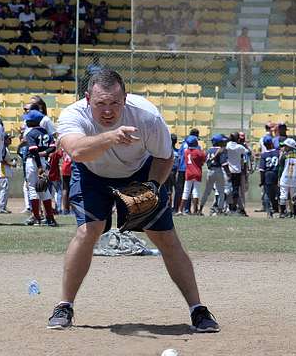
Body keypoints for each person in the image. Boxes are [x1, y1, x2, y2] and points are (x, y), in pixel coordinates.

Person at [48, 69, 219, 332]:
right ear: (87, 99)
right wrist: (111, 137)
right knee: (88, 231)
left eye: (115, 103)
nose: (108, 111)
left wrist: (151, 187)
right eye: (100, 104)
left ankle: (198, 309)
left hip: (139, 174)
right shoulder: (73, 115)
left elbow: (164, 157)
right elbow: (77, 151)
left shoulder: (147, 116)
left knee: (165, 237)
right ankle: (64, 306)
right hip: (91, 173)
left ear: (125, 98)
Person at [21, 109, 58, 227]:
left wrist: (39, 166)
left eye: (28, 120)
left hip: (34, 162)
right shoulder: (46, 132)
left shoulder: (30, 133)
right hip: (44, 161)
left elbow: (33, 150)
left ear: (33, 122)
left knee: (32, 188)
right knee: (43, 189)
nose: (26, 122)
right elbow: (53, 148)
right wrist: (44, 154)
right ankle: (50, 218)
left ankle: (36, 217)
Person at [177, 135, 206, 216]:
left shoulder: (186, 151)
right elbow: (203, 160)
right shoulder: (198, 152)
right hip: (197, 173)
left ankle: (180, 210)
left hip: (188, 173)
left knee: (186, 191)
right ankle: (195, 211)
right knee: (196, 192)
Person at [223, 132, 249, 216]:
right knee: (235, 190)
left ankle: (226, 207)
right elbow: (247, 152)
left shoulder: (227, 145)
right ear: (238, 139)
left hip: (228, 171)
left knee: (227, 190)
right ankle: (233, 208)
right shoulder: (239, 147)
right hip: (237, 171)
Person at [201, 134, 228, 215]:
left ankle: (199, 209)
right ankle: (219, 210)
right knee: (221, 192)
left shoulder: (208, 150)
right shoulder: (221, 150)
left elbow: (205, 160)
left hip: (210, 171)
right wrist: (228, 173)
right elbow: (223, 163)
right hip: (218, 170)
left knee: (206, 192)